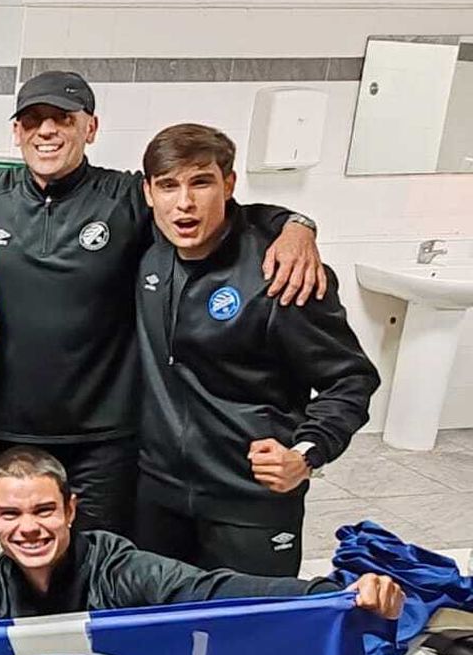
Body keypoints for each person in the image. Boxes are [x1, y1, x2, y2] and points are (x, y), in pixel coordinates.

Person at [0, 69, 325, 535]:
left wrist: (297, 224)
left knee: (99, 559)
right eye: (33, 120)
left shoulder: (126, 196)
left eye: (62, 119)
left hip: (107, 431)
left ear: (91, 128)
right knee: (30, 552)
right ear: (16, 132)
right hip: (14, 425)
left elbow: (216, 214)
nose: (46, 131)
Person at [133, 124, 379, 575]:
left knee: (253, 636)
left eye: (200, 182)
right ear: (148, 193)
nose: (183, 202)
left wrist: (305, 453)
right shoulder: (148, 247)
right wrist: (297, 221)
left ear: (228, 185)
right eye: (168, 185)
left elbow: (351, 379)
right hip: (157, 495)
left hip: (250, 498)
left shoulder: (281, 273)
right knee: (157, 631)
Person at [0, 446, 403, 630]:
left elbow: (211, 589)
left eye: (45, 510)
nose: (29, 528)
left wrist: (330, 594)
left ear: (72, 510)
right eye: (11, 515)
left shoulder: (118, 568)